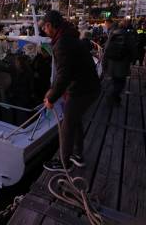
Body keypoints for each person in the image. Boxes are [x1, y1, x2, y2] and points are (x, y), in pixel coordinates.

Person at [40, 10, 101, 172]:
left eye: (45, 27)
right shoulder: (69, 37)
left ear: (50, 25)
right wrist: (53, 92)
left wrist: (51, 97)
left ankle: (64, 162)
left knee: (67, 125)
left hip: (82, 89)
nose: (44, 31)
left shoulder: (62, 43)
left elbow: (63, 75)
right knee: (75, 120)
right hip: (89, 87)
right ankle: (77, 155)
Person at [103, 18, 137, 105]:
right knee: (121, 82)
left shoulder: (113, 33)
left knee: (115, 81)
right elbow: (132, 48)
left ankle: (115, 98)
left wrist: (105, 62)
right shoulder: (128, 35)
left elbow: (106, 48)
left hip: (111, 62)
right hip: (122, 62)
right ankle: (112, 96)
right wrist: (133, 60)